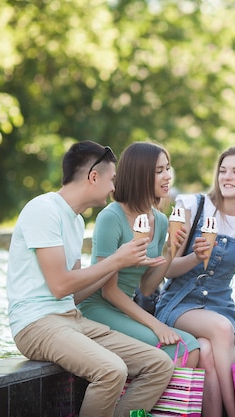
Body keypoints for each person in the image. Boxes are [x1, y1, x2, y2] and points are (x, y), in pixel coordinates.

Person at [6, 140, 174, 417]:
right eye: (112, 180)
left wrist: (120, 265)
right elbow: (59, 286)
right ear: (93, 177)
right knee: (111, 370)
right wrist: (116, 260)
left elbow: (75, 294)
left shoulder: (76, 220)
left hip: (71, 318)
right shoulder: (44, 209)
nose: (114, 187)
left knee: (159, 364)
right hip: (35, 324)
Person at [155, 144, 235, 417]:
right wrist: (196, 258)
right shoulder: (192, 206)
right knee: (221, 330)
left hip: (219, 305)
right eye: (222, 171)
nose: (226, 177)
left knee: (207, 352)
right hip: (178, 302)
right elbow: (166, 268)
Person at [78, 142, 200, 365]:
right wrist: (156, 325)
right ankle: (157, 401)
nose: (167, 177)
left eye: (168, 168)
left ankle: (161, 401)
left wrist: (170, 251)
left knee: (189, 345)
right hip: (98, 309)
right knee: (186, 347)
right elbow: (109, 291)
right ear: (140, 175)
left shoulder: (161, 221)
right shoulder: (111, 218)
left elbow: (146, 287)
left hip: (127, 309)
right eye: (159, 171)